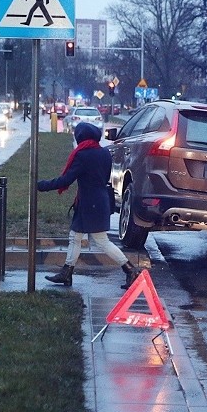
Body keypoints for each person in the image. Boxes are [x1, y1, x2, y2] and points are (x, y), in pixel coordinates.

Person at [37, 122, 139, 288]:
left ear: (80, 137)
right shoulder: (104, 153)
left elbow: (66, 180)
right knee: (76, 237)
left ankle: (131, 271)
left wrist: (42, 185)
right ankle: (67, 273)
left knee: (100, 241)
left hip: (89, 203)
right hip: (99, 201)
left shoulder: (83, 155)